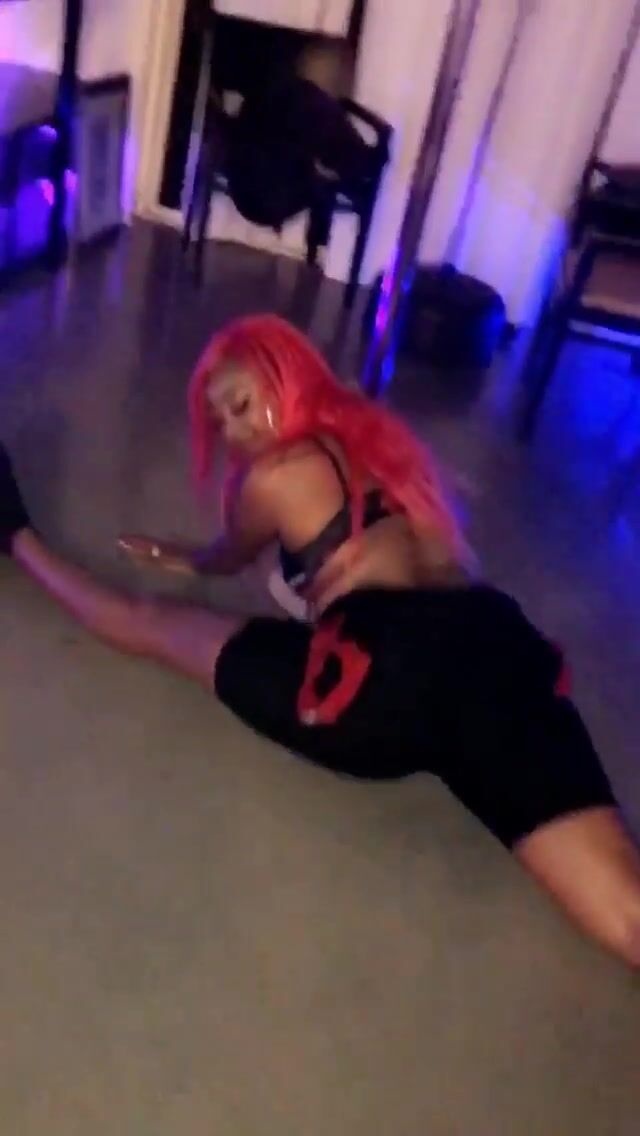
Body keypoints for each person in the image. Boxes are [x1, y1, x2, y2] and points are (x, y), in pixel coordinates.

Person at [2, 314, 640, 967]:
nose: (235, 433)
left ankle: (14, 533)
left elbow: (227, 557)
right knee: (626, 907)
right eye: (220, 422)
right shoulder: (382, 441)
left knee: (153, 623)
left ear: (289, 379)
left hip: (381, 669)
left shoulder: (275, 474)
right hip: (493, 639)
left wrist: (184, 556)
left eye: (242, 405)